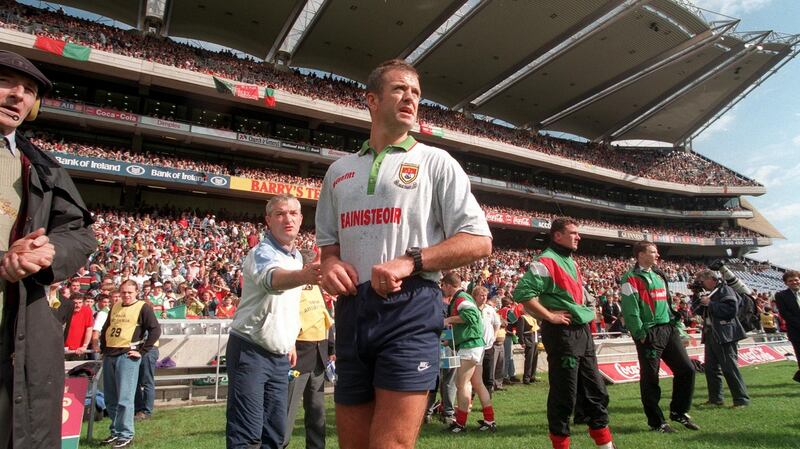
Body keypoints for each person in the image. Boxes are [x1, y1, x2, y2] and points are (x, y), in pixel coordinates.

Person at [315, 59, 492, 449]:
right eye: (399, 89)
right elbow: (328, 246)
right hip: (351, 310)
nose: (410, 97)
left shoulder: (435, 162)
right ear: (372, 100)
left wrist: (411, 261)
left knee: (390, 445)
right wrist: (329, 264)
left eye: (416, 92)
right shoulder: (339, 171)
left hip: (410, 306)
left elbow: (480, 239)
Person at [0, 50, 96, 449]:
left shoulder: (40, 165)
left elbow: (80, 233)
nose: (18, 96)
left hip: (20, 337)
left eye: (29, 91)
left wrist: (48, 251)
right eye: (7, 83)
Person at [226, 195, 321, 449]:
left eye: (293, 213)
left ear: (301, 218)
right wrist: (305, 275)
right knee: (247, 434)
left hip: (280, 356)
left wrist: (289, 340)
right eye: (279, 214)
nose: (287, 219)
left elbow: (288, 305)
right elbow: (273, 281)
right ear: (268, 220)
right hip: (250, 350)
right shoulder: (261, 252)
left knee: (275, 434)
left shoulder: (298, 257)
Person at [512, 218, 616, 449]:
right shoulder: (546, 260)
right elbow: (522, 293)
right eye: (573, 233)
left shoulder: (571, 261)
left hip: (582, 332)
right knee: (565, 395)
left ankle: (606, 445)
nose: (578, 237)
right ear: (557, 235)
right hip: (562, 334)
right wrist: (549, 316)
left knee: (595, 391)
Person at [619, 241, 698, 432]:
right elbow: (630, 310)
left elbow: (669, 304)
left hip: (668, 330)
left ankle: (678, 412)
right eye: (653, 252)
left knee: (687, 370)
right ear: (640, 255)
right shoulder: (630, 278)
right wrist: (639, 333)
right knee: (650, 379)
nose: (657, 255)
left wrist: (678, 328)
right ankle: (657, 422)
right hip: (649, 333)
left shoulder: (659, 275)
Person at [99, 280, 161, 448]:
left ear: (136, 292)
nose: (126, 295)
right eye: (124, 292)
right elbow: (106, 328)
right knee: (110, 398)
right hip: (110, 354)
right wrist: (103, 348)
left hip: (127, 356)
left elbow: (155, 330)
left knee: (125, 398)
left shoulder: (143, 307)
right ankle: (115, 430)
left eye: (130, 292)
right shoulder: (116, 306)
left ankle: (126, 434)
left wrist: (142, 351)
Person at [283, 252, 334, 449]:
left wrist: (331, 347)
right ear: (305, 267)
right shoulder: (290, 287)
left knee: (317, 410)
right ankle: (281, 444)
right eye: (316, 264)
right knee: (288, 409)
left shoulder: (318, 287)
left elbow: (324, 315)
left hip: (319, 356)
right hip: (298, 357)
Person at [441, 273, 496, 433]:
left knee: (462, 384)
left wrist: (449, 320)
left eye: (443, 286)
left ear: (448, 285)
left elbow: (471, 317)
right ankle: (489, 420)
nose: (442, 289)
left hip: (470, 346)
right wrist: (451, 339)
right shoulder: (463, 297)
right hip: (475, 345)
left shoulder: (460, 298)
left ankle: (460, 424)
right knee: (478, 384)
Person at [692, 269, 750, 407]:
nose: (701, 284)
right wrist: (696, 296)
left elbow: (731, 310)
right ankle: (715, 399)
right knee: (711, 369)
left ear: (710, 279)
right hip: (711, 334)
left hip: (725, 335)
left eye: (701, 281)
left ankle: (741, 399)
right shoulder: (708, 293)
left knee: (729, 368)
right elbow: (697, 310)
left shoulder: (725, 290)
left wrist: (710, 304)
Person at [773, 270, 800, 383]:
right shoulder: (781, 296)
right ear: (786, 283)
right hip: (796, 332)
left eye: (796, 280)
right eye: (790, 281)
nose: (794, 282)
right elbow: (785, 314)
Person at [475, 286, 501, 395]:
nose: (484, 298)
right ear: (475, 296)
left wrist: (494, 336)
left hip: (488, 347)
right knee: (473, 375)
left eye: (485, 295)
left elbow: (497, 324)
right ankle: (469, 400)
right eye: (481, 295)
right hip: (474, 347)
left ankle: (487, 400)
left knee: (488, 375)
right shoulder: (471, 308)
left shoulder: (490, 310)